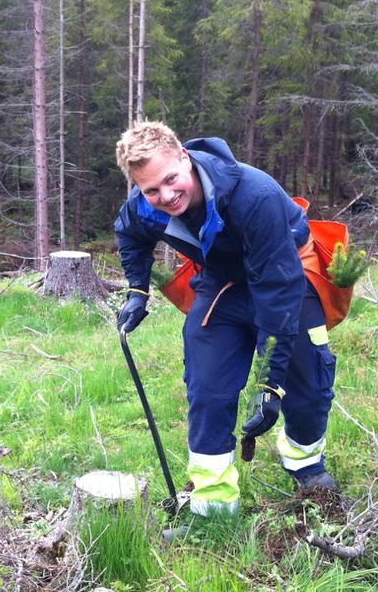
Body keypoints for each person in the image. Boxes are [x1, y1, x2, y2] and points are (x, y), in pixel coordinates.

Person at [114, 121, 338, 517]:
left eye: (171, 179)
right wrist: (137, 289)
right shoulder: (145, 205)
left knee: (308, 388)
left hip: (289, 276)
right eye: (151, 189)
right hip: (222, 283)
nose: (165, 196)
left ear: (185, 157)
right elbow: (129, 233)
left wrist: (269, 384)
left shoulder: (255, 196)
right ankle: (213, 508)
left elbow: (277, 291)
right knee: (208, 388)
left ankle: (306, 465)